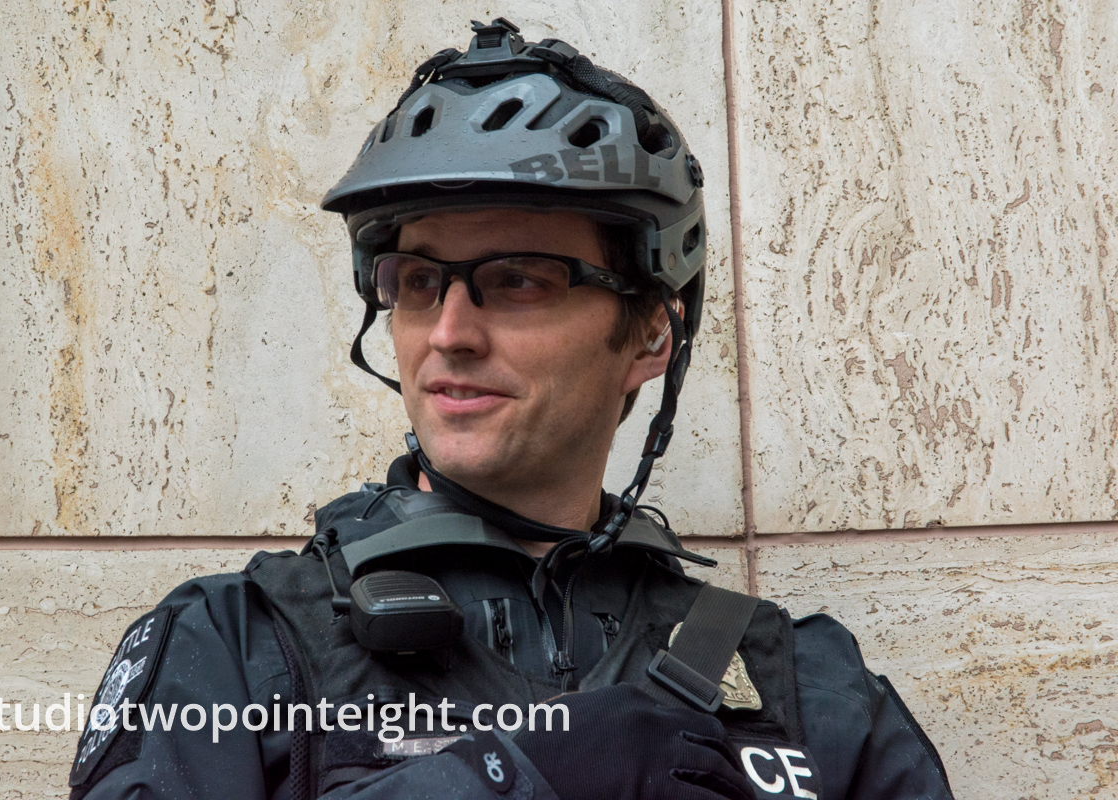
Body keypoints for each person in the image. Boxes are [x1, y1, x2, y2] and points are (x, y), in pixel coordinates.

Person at [69, 19, 955, 800]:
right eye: (419, 281)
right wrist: (512, 777)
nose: (449, 333)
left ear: (652, 332)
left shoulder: (806, 686)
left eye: (518, 280)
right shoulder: (237, 647)